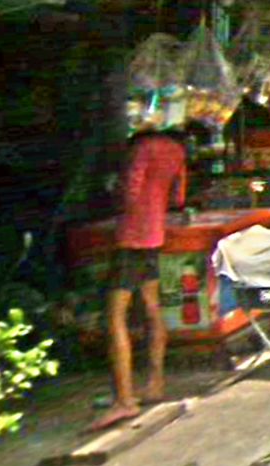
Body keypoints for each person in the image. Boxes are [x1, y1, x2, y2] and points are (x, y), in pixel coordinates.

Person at [90, 128, 187, 431]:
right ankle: (155, 382)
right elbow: (178, 196)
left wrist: (112, 191)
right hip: (155, 234)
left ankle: (124, 399)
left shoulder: (142, 149)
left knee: (114, 316)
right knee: (152, 308)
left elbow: (129, 193)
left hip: (131, 236)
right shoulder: (176, 149)